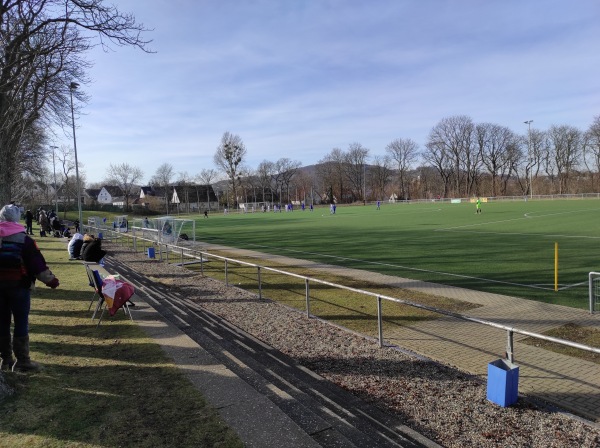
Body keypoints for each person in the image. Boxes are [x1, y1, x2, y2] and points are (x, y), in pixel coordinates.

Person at [0, 204, 59, 372]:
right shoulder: (24, 240)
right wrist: (51, 281)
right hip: (19, 286)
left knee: (2, 322)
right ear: (17, 218)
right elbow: (37, 265)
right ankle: (23, 361)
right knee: (21, 321)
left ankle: (5, 360)